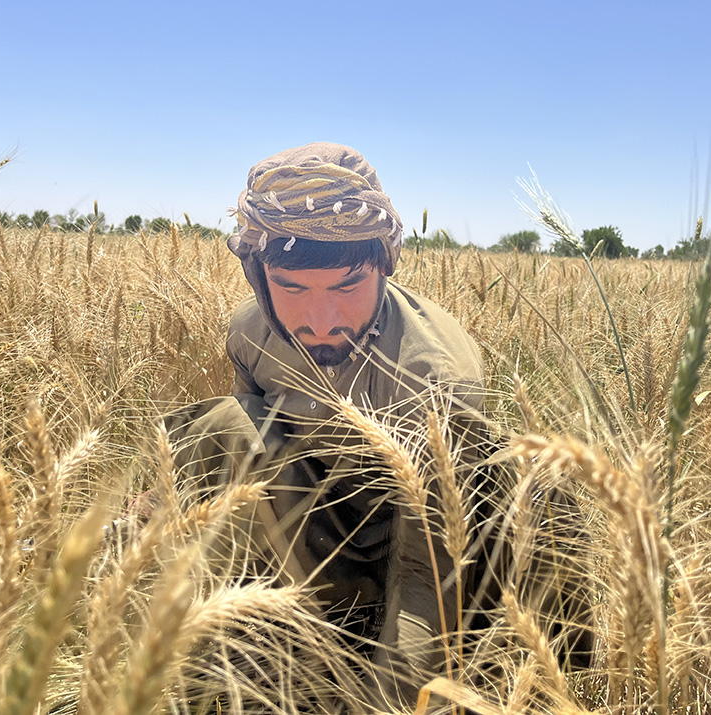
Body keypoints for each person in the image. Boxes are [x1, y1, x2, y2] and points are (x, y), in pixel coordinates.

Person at [164, 143, 591, 709]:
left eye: (347, 285)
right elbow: (256, 453)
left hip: (431, 534)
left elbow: (425, 568)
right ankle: (267, 637)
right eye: (292, 287)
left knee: (545, 481)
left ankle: (575, 678)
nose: (321, 322)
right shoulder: (250, 332)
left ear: (384, 265)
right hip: (325, 520)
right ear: (258, 276)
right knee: (220, 424)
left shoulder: (434, 376)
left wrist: (390, 701)